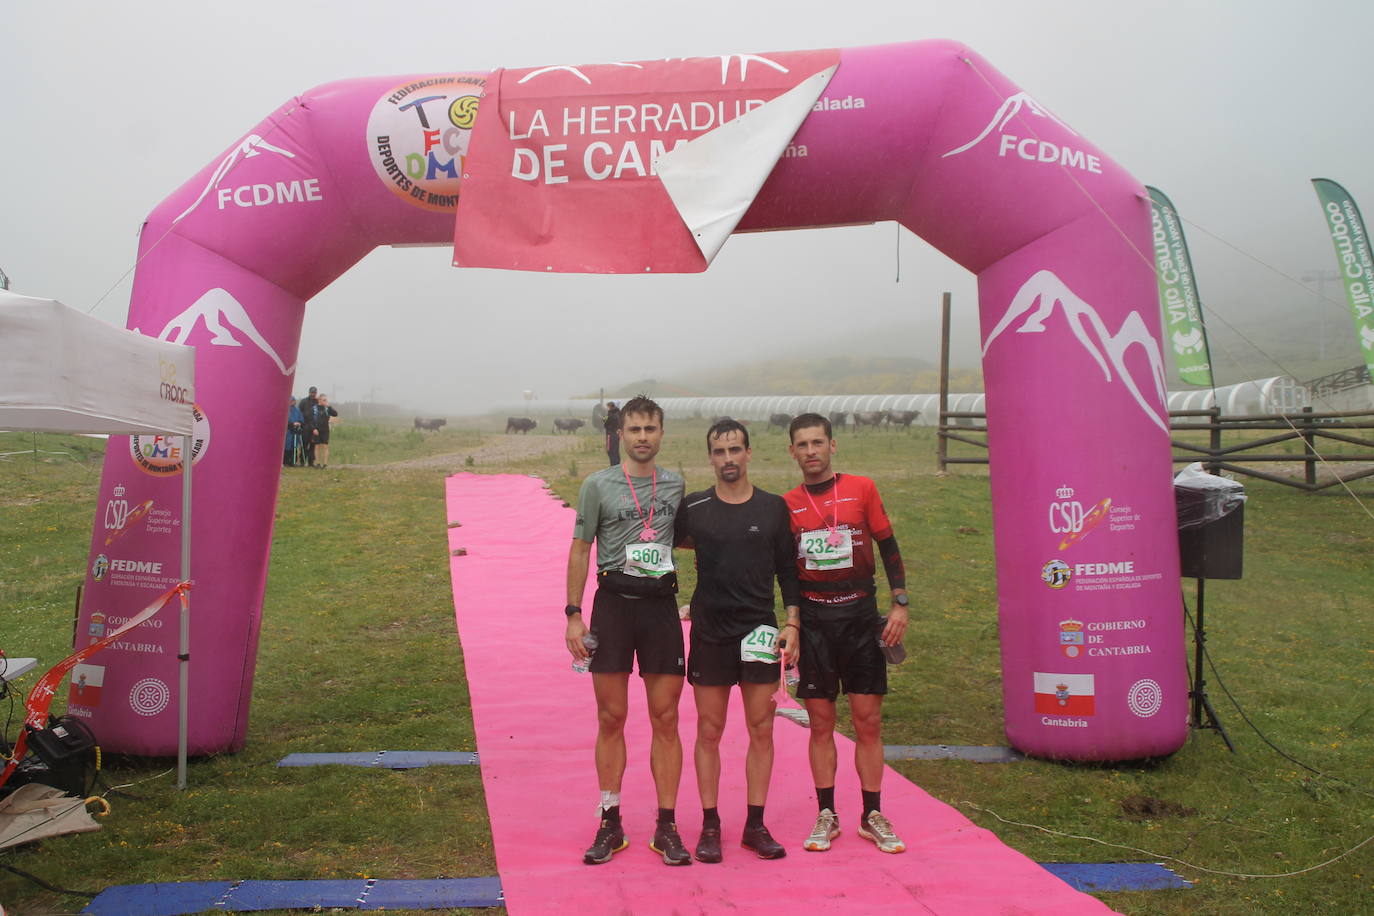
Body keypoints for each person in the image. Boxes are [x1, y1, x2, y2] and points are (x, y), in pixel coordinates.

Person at [564, 396, 689, 866]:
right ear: (618, 434)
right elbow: (580, 548)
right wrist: (573, 613)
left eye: (650, 429)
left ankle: (667, 824)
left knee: (666, 718)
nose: (642, 437)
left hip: (660, 607)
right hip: (613, 606)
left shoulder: (675, 485)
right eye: (633, 429)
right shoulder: (597, 485)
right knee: (611, 717)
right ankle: (610, 822)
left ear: (661, 433)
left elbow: (691, 536)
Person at [673, 419, 800, 863]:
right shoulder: (693, 507)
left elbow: (788, 568)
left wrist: (793, 623)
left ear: (749, 453)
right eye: (719, 451)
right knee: (709, 731)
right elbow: (675, 543)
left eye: (735, 450)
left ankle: (755, 825)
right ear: (710, 457)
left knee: (761, 729)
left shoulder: (772, 508)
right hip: (710, 632)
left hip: (760, 633)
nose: (727, 459)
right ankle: (710, 825)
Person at [784, 412, 910, 855]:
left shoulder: (862, 488)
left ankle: (872, 813)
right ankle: (826, 813)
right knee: (821, 723)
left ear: (832, 446)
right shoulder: (788, 503)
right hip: (816, 624)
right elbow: (785, 572)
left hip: (859, 617)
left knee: (867, 720)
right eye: (803, 444)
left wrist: (900, 602)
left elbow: (888, 545)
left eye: (818, 442)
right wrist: (793, 623)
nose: (811, 451)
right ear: (792, 452)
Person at [312, 394, 339, 468]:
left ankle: (325, 463)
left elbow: (335, 414)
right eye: (324, 400)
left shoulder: (327, 409)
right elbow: (311, 419)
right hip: (317, 429)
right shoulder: (314, 408)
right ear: (319, 400)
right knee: (317, 446)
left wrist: (329, 406)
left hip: (325, 430)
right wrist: (314, 428)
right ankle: (317, 463)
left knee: (325, 446)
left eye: (326, 400)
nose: (325, 401)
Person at [297, 386, 321, 466]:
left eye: (314, 393)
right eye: (312, 392)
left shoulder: (317, 402)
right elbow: (299, 412)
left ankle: (311, 462)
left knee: (312, 445)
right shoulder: (304, 401)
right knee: (304, 445)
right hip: (305, 426)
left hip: (315, 427)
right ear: (309, 392)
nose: (313, 394)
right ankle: (302, 461)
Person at [284, 395, 304, 467]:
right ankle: (285, 462)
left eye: (293, 401)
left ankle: (293, 462)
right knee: (287, 446)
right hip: (288, 431)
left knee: (295, 446)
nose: (292, 402)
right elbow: (284, 421)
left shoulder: (297, 410)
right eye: (291, 401)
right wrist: (292, 424)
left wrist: (299, 422)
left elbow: (301, 419)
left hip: (295, 432)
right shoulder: (285, 410)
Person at [602, 401, 622, 466]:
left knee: (610, 450)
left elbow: (605, 422)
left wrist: (604, 419)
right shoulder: (619, 413)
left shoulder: (609, 414)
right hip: (617, 434)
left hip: (610, 434)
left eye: (607, 407)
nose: (606, 408)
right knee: (616, 450)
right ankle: (617, 465)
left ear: (609, 407)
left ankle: (613, 466)